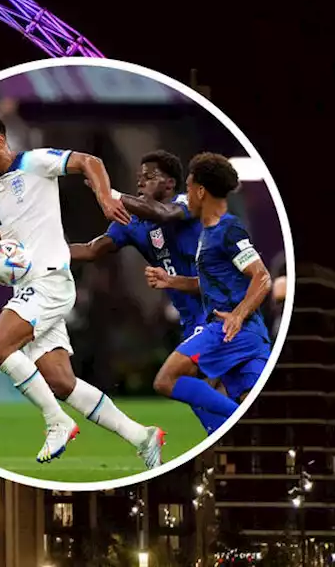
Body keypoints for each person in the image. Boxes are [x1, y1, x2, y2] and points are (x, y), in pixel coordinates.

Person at [0, 114, 165, 468]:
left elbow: (88, 161)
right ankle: (142, 436)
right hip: (27, 290)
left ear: (1, 141)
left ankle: (56, 421)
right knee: (61, 381)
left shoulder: (35, 162)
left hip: (48, 281)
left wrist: (105, 197)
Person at [67, 151, 227, 434]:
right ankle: (225, 439)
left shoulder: (184, 204)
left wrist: (110, 192)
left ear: (169, 184)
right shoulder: (131, 220)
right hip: (191, 319)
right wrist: (40, 253)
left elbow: (162, 214)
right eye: (139, 177)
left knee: (171, 380)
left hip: (219, 310)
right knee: (205, 389)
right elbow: (92, 250)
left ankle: (236, 423)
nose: (141, 182)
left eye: (149, 177)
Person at [144, 153, 273, 429]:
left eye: (188, 187)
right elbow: (214, 282)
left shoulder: (228, 230)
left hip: (229, 329)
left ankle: (233, 426)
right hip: (249, 335)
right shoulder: (208, 233)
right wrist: (171, 281)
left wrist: (237, 316)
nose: (185, 194)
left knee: (167, 380)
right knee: (255, 405)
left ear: (200, 191)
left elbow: (262, 277)